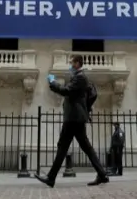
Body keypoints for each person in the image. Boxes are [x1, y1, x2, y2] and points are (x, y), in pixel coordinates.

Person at [34, 55, 109, 188]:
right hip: (76, 118)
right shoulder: (78, 77)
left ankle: (51, 177)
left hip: (74, 118)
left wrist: (52, 82)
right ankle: (102, 174)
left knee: (63, 146)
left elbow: (66, 91)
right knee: (84, 147)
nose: (70, 66)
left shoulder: (80, 77)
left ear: (78, 63)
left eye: (72, 63)